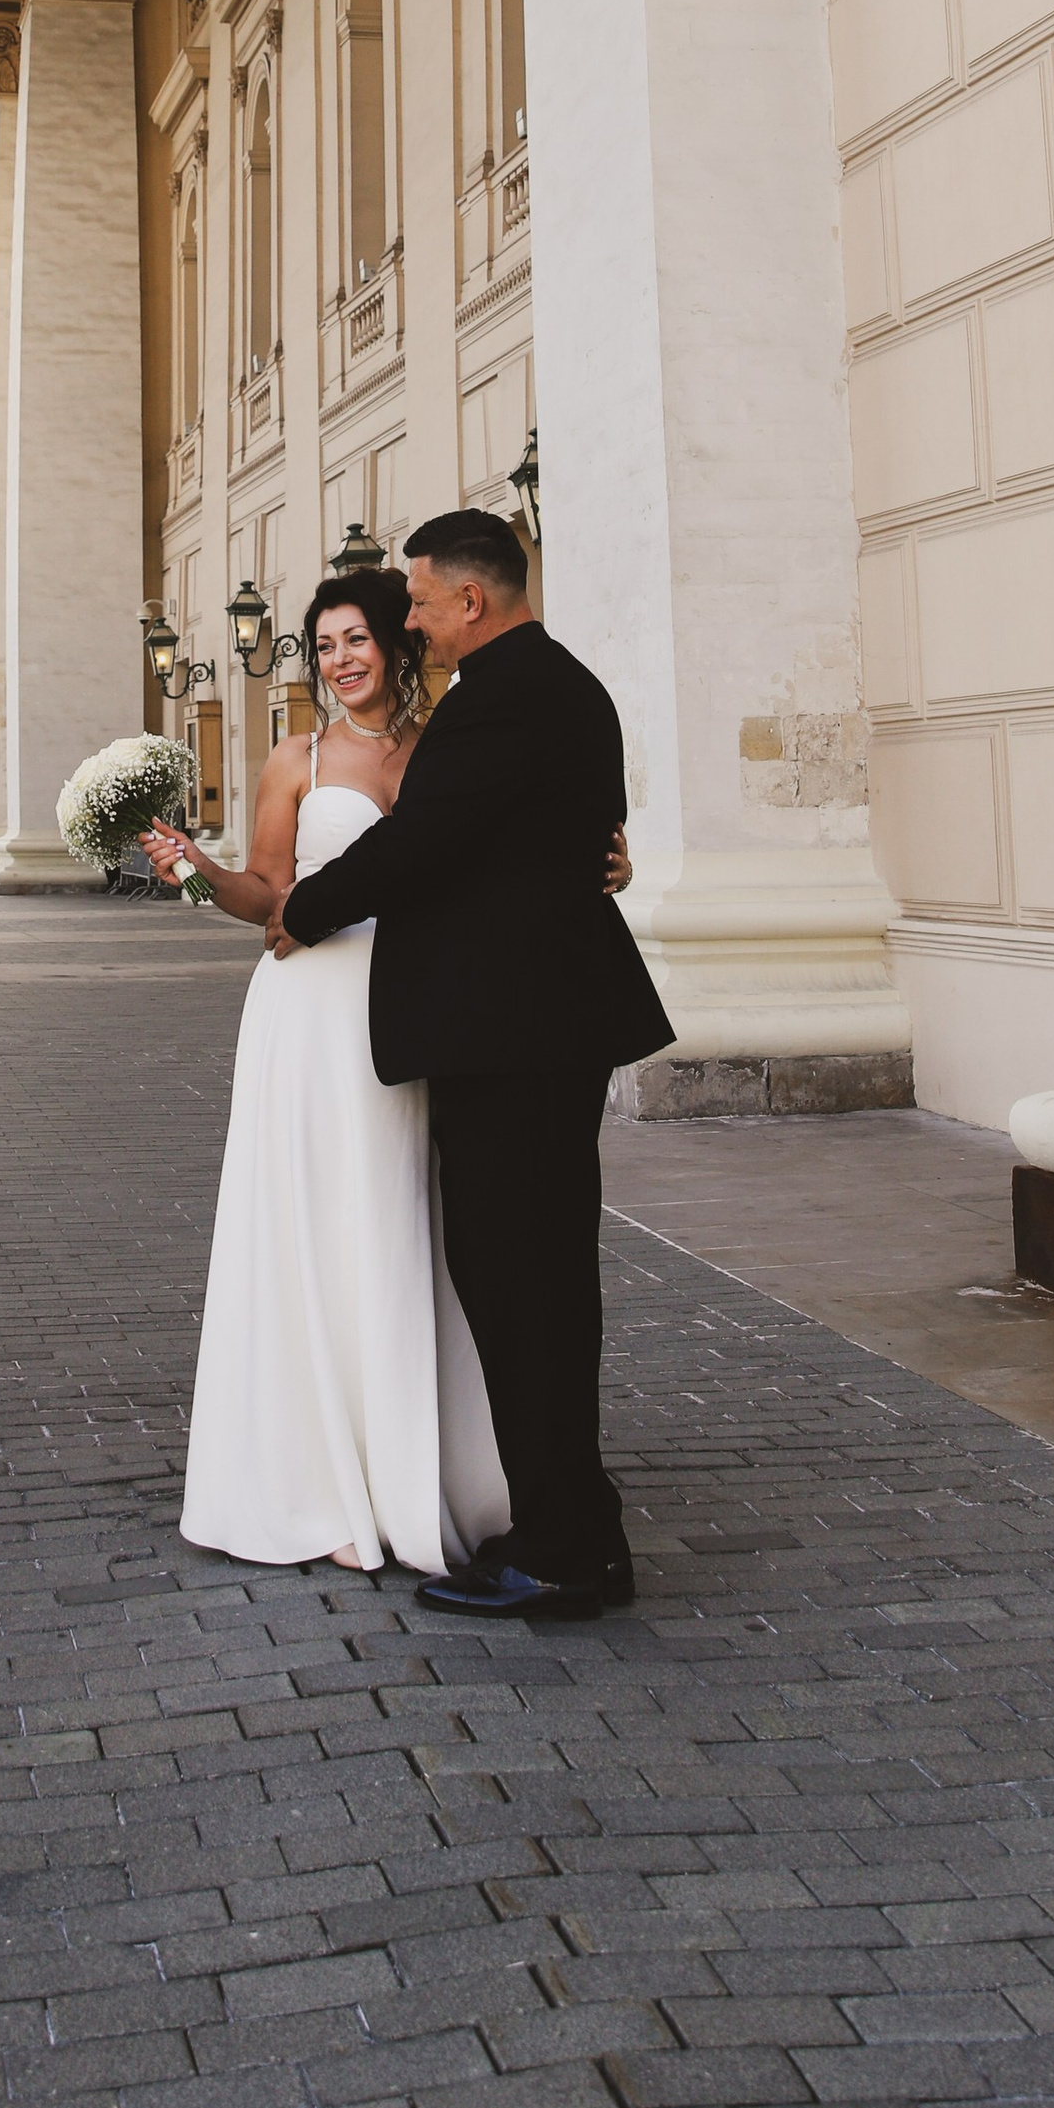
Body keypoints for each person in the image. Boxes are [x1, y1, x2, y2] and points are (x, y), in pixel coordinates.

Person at [268, 509, 669, 1623]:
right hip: (533, 1031)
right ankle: (577, 1527)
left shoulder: (505, 694)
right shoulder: (558, 685)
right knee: (538, 1284)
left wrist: (306, 906)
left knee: (521, 1286)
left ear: (470, 600)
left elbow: (424, 840)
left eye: (418, 601)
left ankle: (561, 1553)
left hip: (512, 1038)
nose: (411, 620)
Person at [143, 572, 508, 1578]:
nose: (341, 659)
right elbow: (267, 893)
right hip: (311, 1017)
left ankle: (416, 1471)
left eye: (357, 639)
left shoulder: (446, 751)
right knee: (312, 1226)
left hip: (417, 1015)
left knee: (401, 1220)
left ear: (397, 641)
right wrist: (195, 870)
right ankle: (315, 1482)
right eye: (326, 644)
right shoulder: (295, 758)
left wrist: (605, 863)